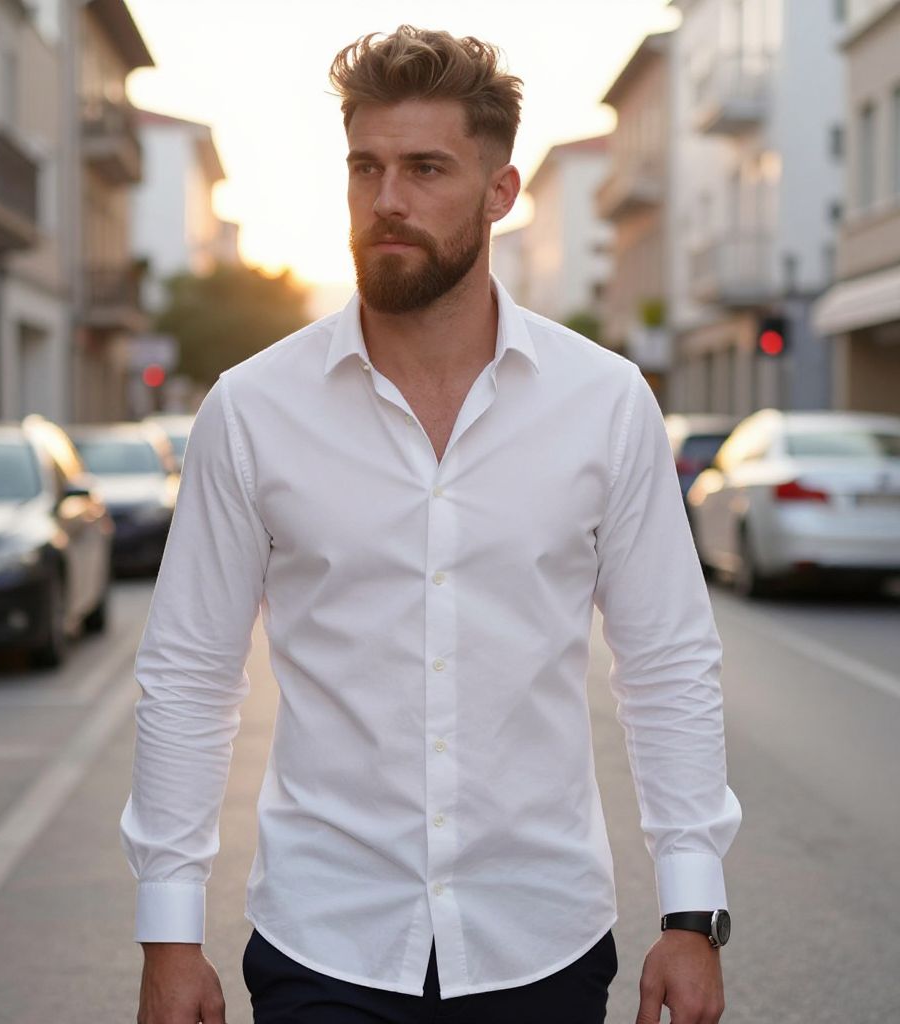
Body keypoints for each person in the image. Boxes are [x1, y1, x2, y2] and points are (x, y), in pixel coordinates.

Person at [121, 25, 741, 1024]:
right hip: (326, 937)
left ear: (500, 192)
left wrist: (692, 910)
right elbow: (190, 671)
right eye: (364, 167)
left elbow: (667, 659)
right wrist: (168, 932)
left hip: (539, 935)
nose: (386, 200)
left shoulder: (605, 401)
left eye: (425, 168)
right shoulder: (252, 408)